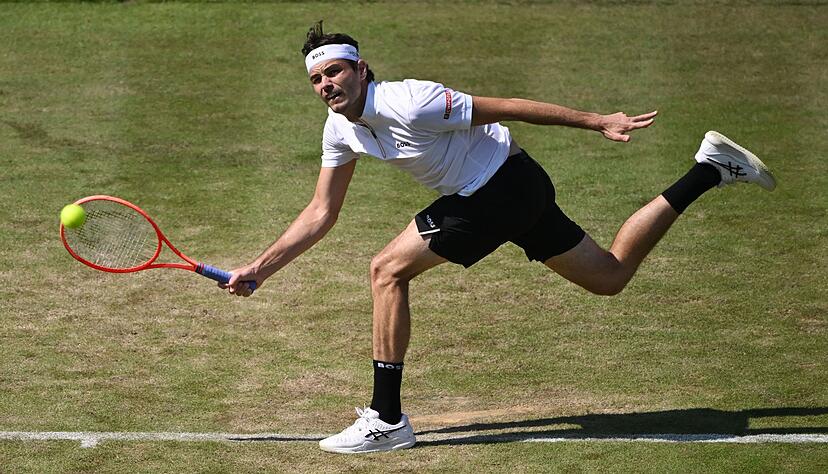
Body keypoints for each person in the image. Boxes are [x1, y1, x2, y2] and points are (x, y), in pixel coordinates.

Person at [221, 21, 776, 454]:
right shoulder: (339, 127)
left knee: (386, 269)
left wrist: (595, 120)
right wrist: (262, 268)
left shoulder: (411, 101)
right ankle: (709, 168)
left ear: (361, 69)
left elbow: (506, 106)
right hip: (504, 193)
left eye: (334, 73)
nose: (325, 86)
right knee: (610, 276)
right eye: (317, 80)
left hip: (500, 188)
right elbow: (321, 210)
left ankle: (386, 419)